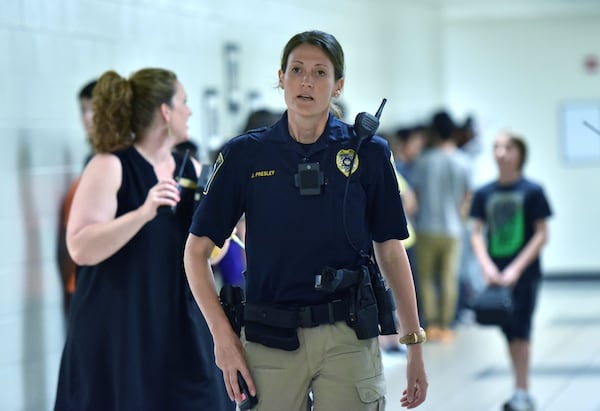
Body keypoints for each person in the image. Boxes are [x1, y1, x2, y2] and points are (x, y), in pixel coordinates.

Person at [184, 30, 428, 410]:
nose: (306, 82)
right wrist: (222, 335)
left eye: (319, 72)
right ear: (281, 77)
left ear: (338, 85)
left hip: (348, 336)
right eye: (296, 70)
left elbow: (391, 250)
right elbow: (195, 252)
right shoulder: (245, 156)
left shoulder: (369, 154)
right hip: (269, 338)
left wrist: (413, 343)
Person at [54, 68, 234, 411]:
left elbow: (211, 255)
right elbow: (80, 247)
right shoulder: (110, 165)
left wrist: (227, 224)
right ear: (166, 111)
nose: (190, 111)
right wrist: (142, 213)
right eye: (183, 102)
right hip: (120, 325)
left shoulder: (191, 168)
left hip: (178, 321)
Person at [469, 131, 552, 411]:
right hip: (497, 273)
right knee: (509, 330)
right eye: (496, 147)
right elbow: (477, 233)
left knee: (522, 330)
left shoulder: (532, 191)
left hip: (524, 272)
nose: (501, 152)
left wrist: (516, 269)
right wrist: (488, 266)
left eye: (508, 147)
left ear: (520, 153)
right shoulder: (484, 193)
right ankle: (519, 387)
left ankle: (522, 389)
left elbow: (541, 234)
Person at [411, 110, 472, 342]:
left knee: (425, 278)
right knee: (449, 277)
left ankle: (432, 324)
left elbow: (414, 195)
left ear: (433, 132)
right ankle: (447, 325)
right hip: (453, 228)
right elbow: (467, 196)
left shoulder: (423, 161)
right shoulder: (463, 160)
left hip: (426, 226)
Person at [56, 79, 97, 317]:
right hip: (80, 281)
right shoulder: (91, 163)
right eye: (83, 110)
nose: (87, 118)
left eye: (93, 109)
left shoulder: (119, 164)